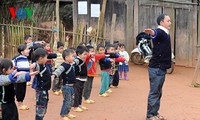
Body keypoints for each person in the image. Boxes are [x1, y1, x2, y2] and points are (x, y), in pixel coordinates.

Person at [144, 14, 171, 120]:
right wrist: (152, 32)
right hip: (156, 68)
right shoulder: (160, 31)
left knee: (158, 92)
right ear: (161, 22)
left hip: (161, 68)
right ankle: (150, 115)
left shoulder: (166, 32)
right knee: (155, 92)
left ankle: (155, 113)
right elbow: (155, 33)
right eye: (168, 21)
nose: (170, 23)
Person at [52, 49, 76, 120]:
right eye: (72, 56)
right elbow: (59, 70)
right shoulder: (64, 65)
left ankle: (67, 113)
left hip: (71, 86)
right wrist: (54, 75)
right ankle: (62, 115)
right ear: (66, 58)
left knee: (71, 101)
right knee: (67, 101)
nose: (73, 58)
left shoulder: (70, 64)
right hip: (66, 87)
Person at [12, 44, 33, 110]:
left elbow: (26, 68)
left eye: (28, 49)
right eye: (26, 49)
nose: (28, 50)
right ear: (21, 52)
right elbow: (12, 66)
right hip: (18, 79)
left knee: (23, 90)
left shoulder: (26, 59)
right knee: (19, 91)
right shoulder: (18, 58)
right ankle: (19, 104)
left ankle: (21, 103)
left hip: (24, 78)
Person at [33, 48, 51, 120]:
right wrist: (33, 64)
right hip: (41, 91)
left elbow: (53, 55)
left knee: (44, 108)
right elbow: (35, 66)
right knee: (40, 109)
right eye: (46, 57)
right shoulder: (38, 66)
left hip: (44, 90)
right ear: (40, 58)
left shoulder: (43, 65)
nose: (47, 59)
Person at [73, 45, 88, 112]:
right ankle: (75, 106)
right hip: (77, 79)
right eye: (84, 54)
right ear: (79, 54)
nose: (85, 56)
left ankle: (79, 104)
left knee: (80, 92)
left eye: (86, 54)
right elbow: (73, 63)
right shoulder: (77, 60)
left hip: (82, 79)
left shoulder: (82, 60)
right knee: (77, 93)